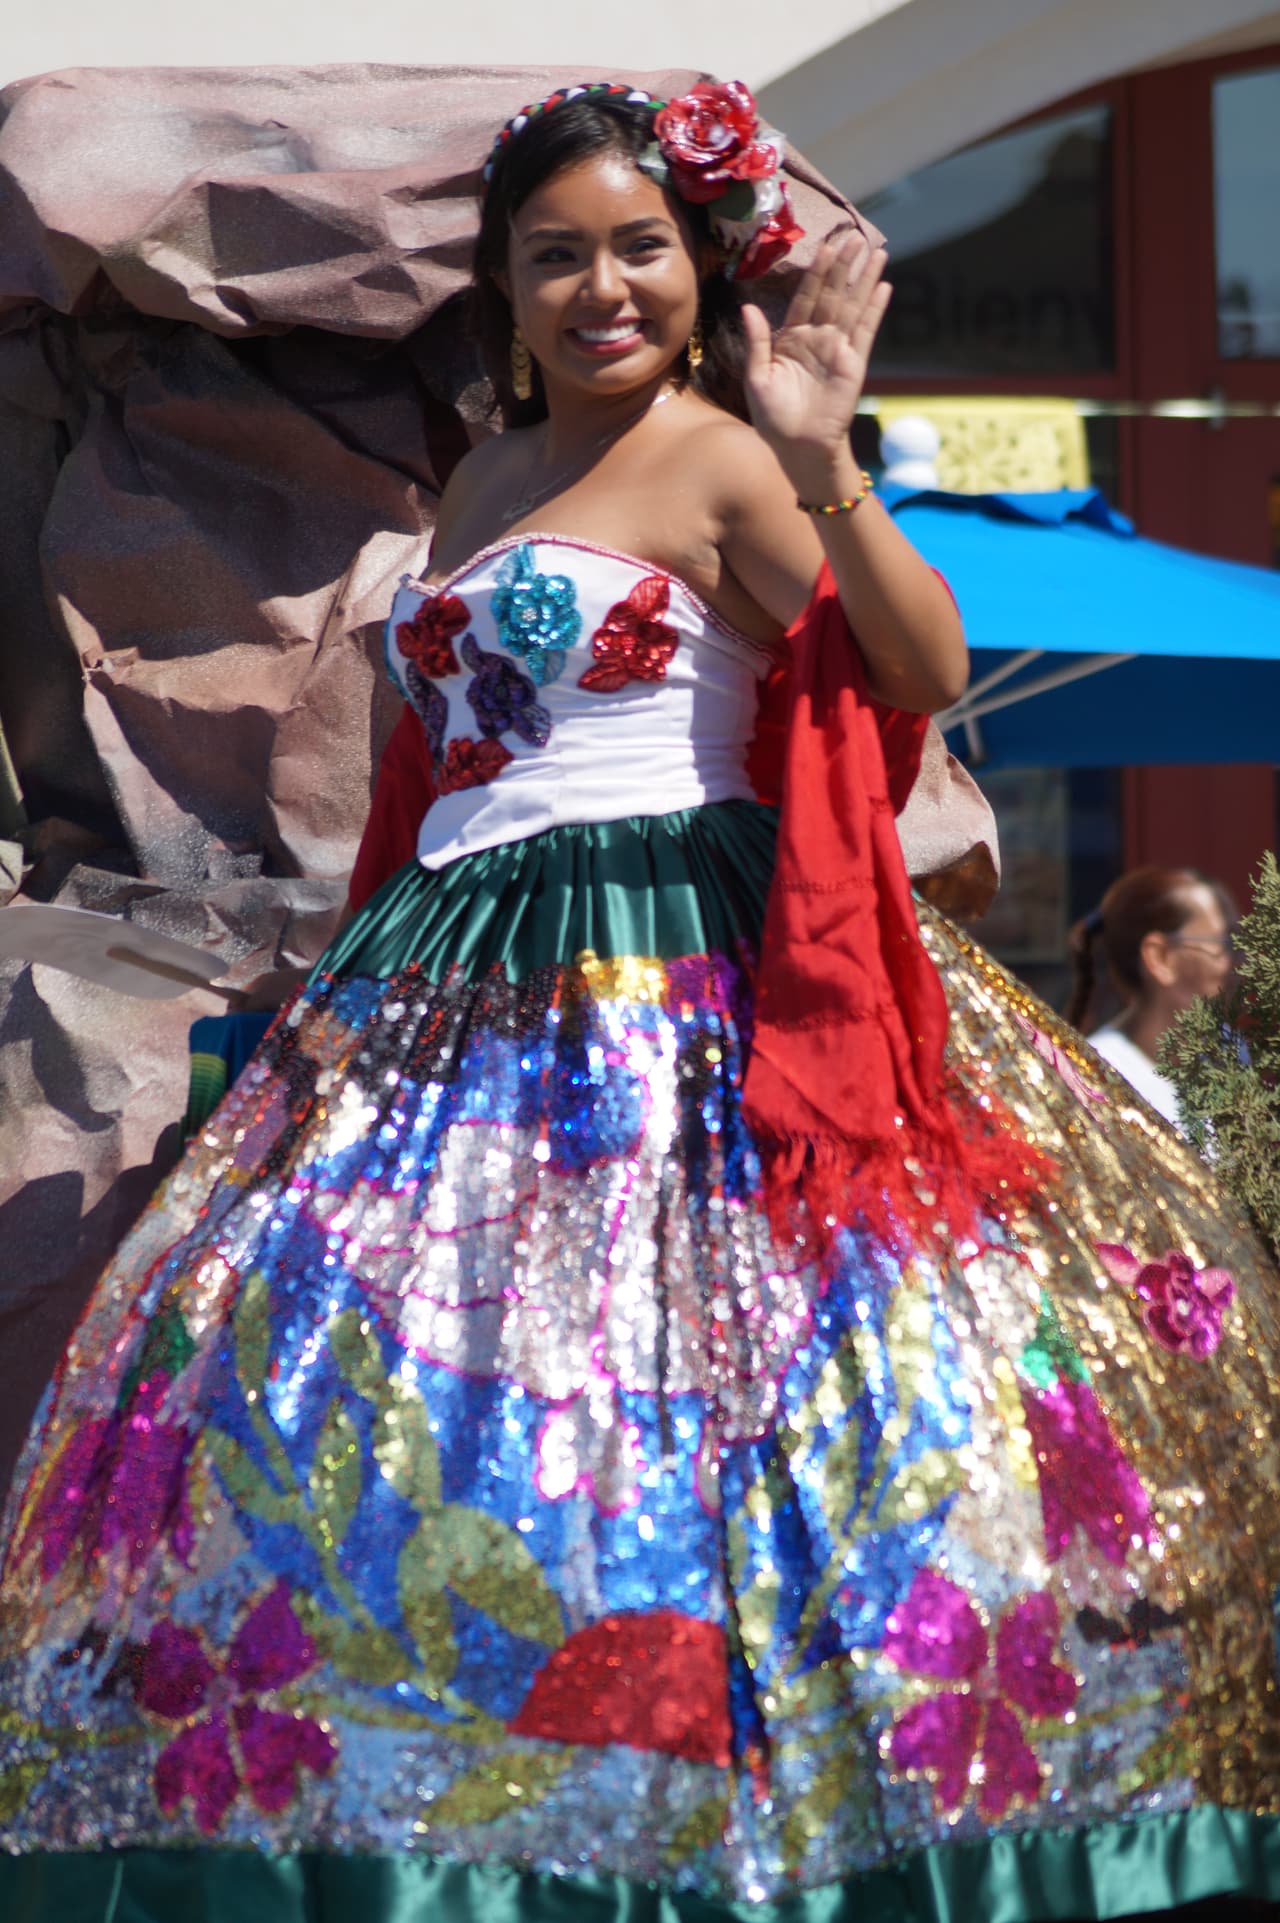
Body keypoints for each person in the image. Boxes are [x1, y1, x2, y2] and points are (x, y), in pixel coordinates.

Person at [2, 77, 1280, 1923]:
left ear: (696, 264)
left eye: (637, 248)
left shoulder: (725, 455)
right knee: (421, 1387)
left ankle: (773, 1824)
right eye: (555, 258)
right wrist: (361, 976)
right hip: (454, 971)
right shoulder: (482, 482)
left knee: (728, 1382)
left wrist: (829, 455)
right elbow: (433, 769)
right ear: (504, 289)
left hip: (683, 961)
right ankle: (469, 1805)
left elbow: (916, 663)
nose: (603, 289)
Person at [1066, 866, 1235, 1128]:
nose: (1228, 965)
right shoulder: (1098, 1080)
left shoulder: (1226, 1059)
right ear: (1160, 957)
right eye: (1219, 945)